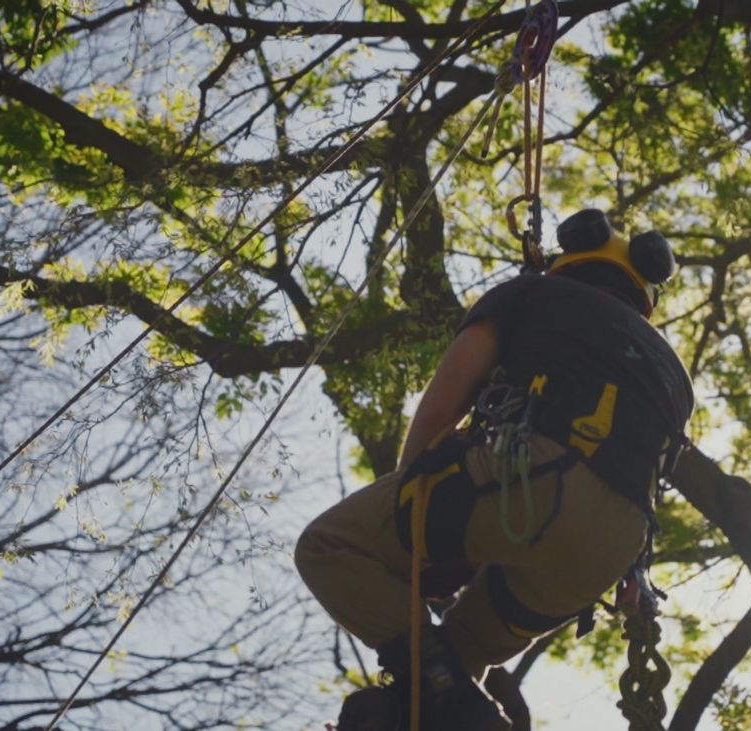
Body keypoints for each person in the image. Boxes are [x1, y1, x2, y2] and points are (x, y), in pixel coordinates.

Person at [295, 208, 695, 730]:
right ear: (644, 293)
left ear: (567, 260)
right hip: (611, 550)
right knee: (460, 657)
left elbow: (444, 403)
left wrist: (419, 531)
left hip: (531, 479)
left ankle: (447, 694)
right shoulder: (674, 376)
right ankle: (438, 709)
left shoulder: (530, 295)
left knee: (327, 547)